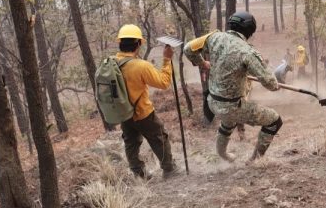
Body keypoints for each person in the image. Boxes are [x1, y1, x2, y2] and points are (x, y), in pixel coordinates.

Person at [184, 11, 282, 161]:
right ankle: (255, 161)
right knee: (274, 120)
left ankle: (224, 155)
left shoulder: (213, 37)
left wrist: (203, 63)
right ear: (249, 31)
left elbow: (188, 49)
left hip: (212, 102)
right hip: (232, 107)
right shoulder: (247, 51)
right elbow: (270, 83)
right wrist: (276, 85)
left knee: (228, 122)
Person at [115, 24, 178, 179]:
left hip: (123, 112)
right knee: (159, 138)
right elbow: (163, 82)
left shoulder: (111, 63)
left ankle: (139, 174)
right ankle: (169, 169)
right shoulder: (140, 65)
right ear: (138, 44)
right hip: (143, 112)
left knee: (130, 143)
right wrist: (167, 59)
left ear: (120, 43)